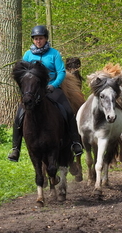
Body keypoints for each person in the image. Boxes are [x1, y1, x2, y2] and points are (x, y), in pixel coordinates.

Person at [8, 25, 84, 162]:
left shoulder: (54, 54)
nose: (38, 41)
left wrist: (53, 85)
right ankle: (15, 148)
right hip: (33, 92)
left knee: (67, 111)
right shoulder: (28, 55)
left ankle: (75, 142)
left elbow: (61, 72)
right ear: (33, 40)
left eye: (41, 38)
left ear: (46, 39)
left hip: (51, 89)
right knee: (19, 116)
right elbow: (21, 74)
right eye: (36, 39)